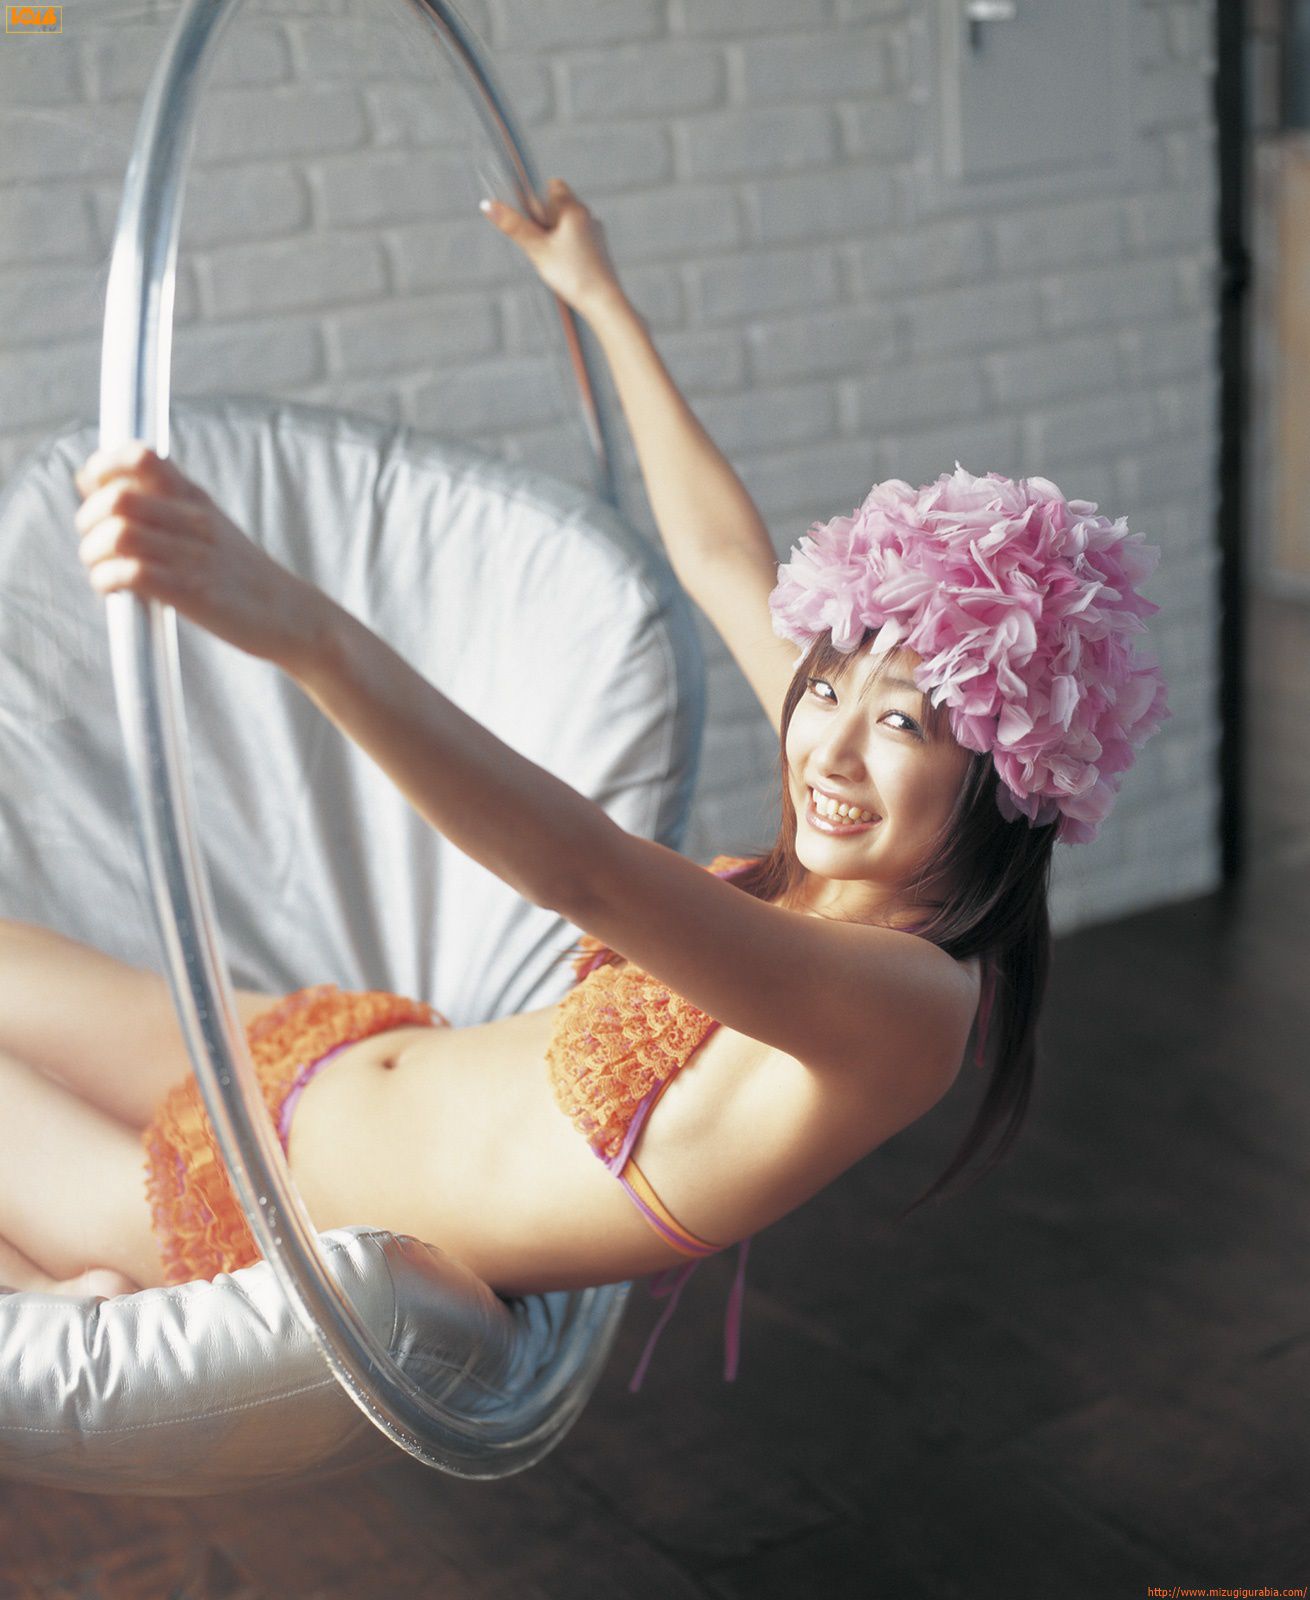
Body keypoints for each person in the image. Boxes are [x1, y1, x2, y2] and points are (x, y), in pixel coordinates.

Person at [0, 179, 1169, 1393]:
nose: (825, 751)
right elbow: (719, 556)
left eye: (902, 724)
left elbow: (583, 872)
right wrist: (598, 295)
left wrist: (303, 630)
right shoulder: (844, 785)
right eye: (824, 689)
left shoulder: (908, 1002)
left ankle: (48, 1290)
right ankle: (40, 1280)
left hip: (265, 1217)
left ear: (1007, 774)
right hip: (312, 1051)